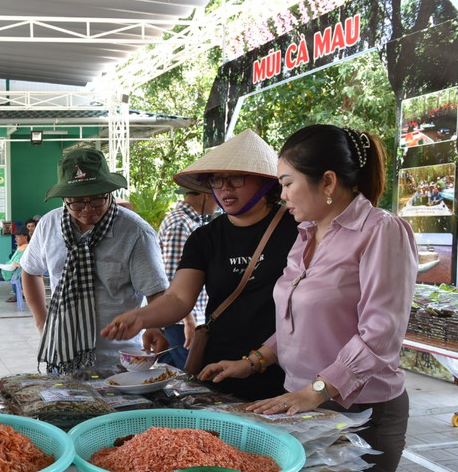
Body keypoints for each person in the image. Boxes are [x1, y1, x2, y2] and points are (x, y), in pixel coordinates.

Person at [199, 125, 418, 472]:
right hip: (303, 402)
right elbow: (296, 319)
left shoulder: (381, 231)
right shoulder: (305, 234)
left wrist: (316, 391)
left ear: (328, 182)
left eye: (287, 183)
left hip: (361, 410)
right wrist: (253, 362)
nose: (282, 196)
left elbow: (382, 333)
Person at [101, 129, 298, 400]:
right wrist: (142, 317)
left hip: (288, 371)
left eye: (236, 178)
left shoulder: (298, 228)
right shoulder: (205, 237)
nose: (225, 188)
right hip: (221, 369)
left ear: (265, 182)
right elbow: (179, 297)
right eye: (217, 180)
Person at [20, 147, 167, 373]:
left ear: (109, 192)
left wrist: (155, 326)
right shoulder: (49, 225)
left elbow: (156, 291)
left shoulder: (135, 232)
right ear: (64, 199)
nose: (88, 210)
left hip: (119, 361)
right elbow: (30, 271)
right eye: (77, 203)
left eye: (97, 200)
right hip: (61, 356)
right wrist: (42, 322)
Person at [156, 187, 218, 369]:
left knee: (170, 378)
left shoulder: (188, 221)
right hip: (180, 321)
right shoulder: (181, 223)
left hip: (183, 318)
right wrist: (188, 321)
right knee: (192, 379)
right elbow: (172, 277)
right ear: (206, 194)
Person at [0, 225, 29, 302]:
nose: (16, 239)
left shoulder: (24, 249)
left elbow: (12, 267)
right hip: (4, 272)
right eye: (15, 237)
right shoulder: (21, 248)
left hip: (5, 274)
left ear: (25, 237)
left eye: (18, 237)